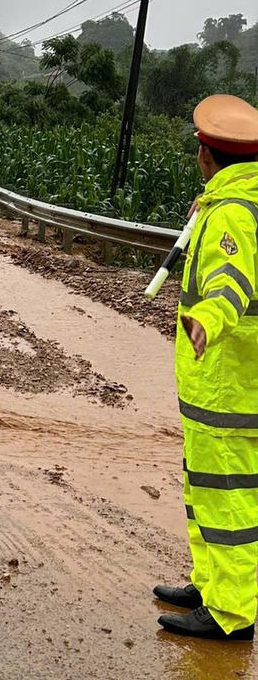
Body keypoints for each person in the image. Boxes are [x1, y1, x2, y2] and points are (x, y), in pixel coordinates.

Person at [155, 93, 258, 640]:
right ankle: (210, 583)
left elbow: (232, 281)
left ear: (206, 156)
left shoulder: (236, 215)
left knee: (227, 499)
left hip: (228, 386)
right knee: (203, 492)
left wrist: (210, 319)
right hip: (218, 386)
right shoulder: (229, 206)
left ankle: (230, 613)